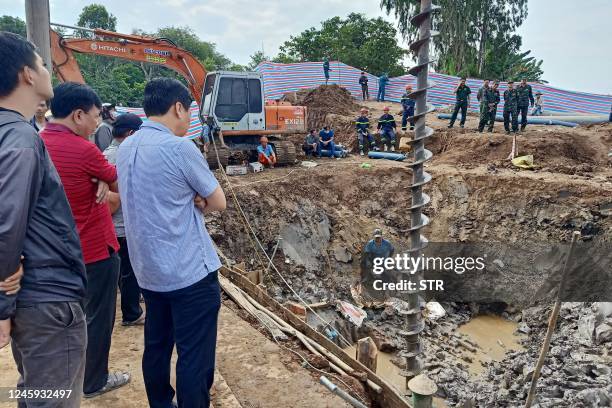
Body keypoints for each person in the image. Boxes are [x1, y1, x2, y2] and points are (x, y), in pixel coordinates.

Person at [116, 77, 227, 408]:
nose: (190, 119)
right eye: (189, 111)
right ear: (178, 107)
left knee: (157, 346)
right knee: (194, 356)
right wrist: (197, 199)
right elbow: (218, 201)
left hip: (149, 272)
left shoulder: (125, 148)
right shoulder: (180, 148)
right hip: (188, 272)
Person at [0, 31, 87, 407]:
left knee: (36, 393)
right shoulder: (21, 140)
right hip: (47, 300)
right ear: (27, 75)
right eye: (41, 63)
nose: (48, 70)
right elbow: (7, 221)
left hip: (32, 300)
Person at [41, 82, 130, 397]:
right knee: (98, 318)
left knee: (68, 321)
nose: (98, 123)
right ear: (78, 115)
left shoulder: (38, 143)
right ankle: (94, 381)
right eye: (95, 116)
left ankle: (67, 379)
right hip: (94, 250)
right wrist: (105, 186)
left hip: (55, 254)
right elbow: (122, 186)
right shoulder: (83, 149)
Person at [103, 113, 145, 326]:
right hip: (125, 224)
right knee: (130, 271)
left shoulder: (104, 154)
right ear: (130, 133)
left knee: (119, 270)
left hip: (109, 225)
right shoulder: (128, 155)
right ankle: (131, 313)